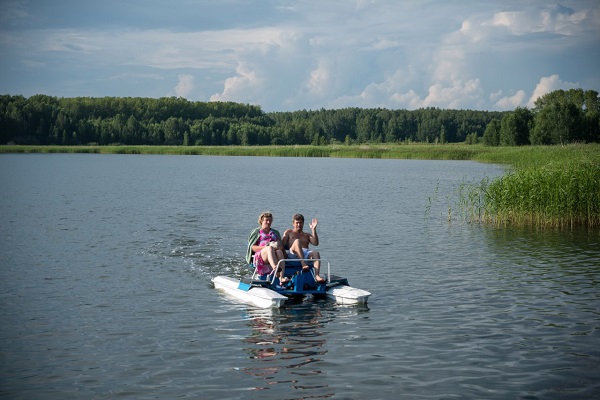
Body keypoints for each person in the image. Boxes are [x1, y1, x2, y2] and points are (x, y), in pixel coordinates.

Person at [246, 211, 289, 284]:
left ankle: (281, 278)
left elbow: (280, 246)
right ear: (262, 221)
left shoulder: (275, 232)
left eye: (270, 220)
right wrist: (264, 247)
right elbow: (252, 247)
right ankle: (275, 268)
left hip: (274, 254)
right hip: (261, 256)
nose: (268, 222)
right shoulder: (256, 232)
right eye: (266, 220)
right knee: (269, 248)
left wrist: (279, 246)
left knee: (279, 251)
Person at [282, 213, 326, 283]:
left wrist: (313, 230)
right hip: (293, 254)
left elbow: (315, 243)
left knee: (316, 253)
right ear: (293, 223)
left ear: (303, 223)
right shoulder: (289, 232)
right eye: (297, 223)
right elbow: (282, 245)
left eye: (300, 223)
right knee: (297, 241)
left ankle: (317, 275)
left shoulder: (306, 235)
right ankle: (303, 264)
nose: (299, 225)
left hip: (305, 253)